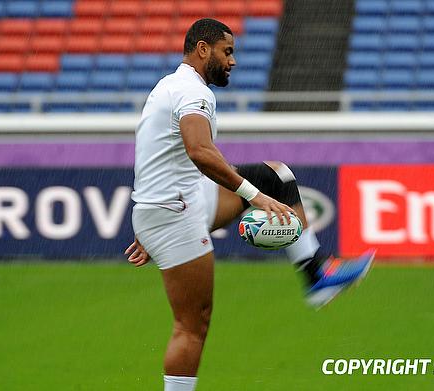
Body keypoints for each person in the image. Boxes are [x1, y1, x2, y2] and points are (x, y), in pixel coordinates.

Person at [125, 18, 375, 391]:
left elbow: (160, 154)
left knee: (277, 176)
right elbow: (199, 151)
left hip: (180, 202)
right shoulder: (193, 93)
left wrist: (149, 224)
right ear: (203, 49)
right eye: (227, 52)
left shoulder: (172, 86)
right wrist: (253, 197)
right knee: (193, 324)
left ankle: (316, 274)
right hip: (173, 215)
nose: (233, 61)